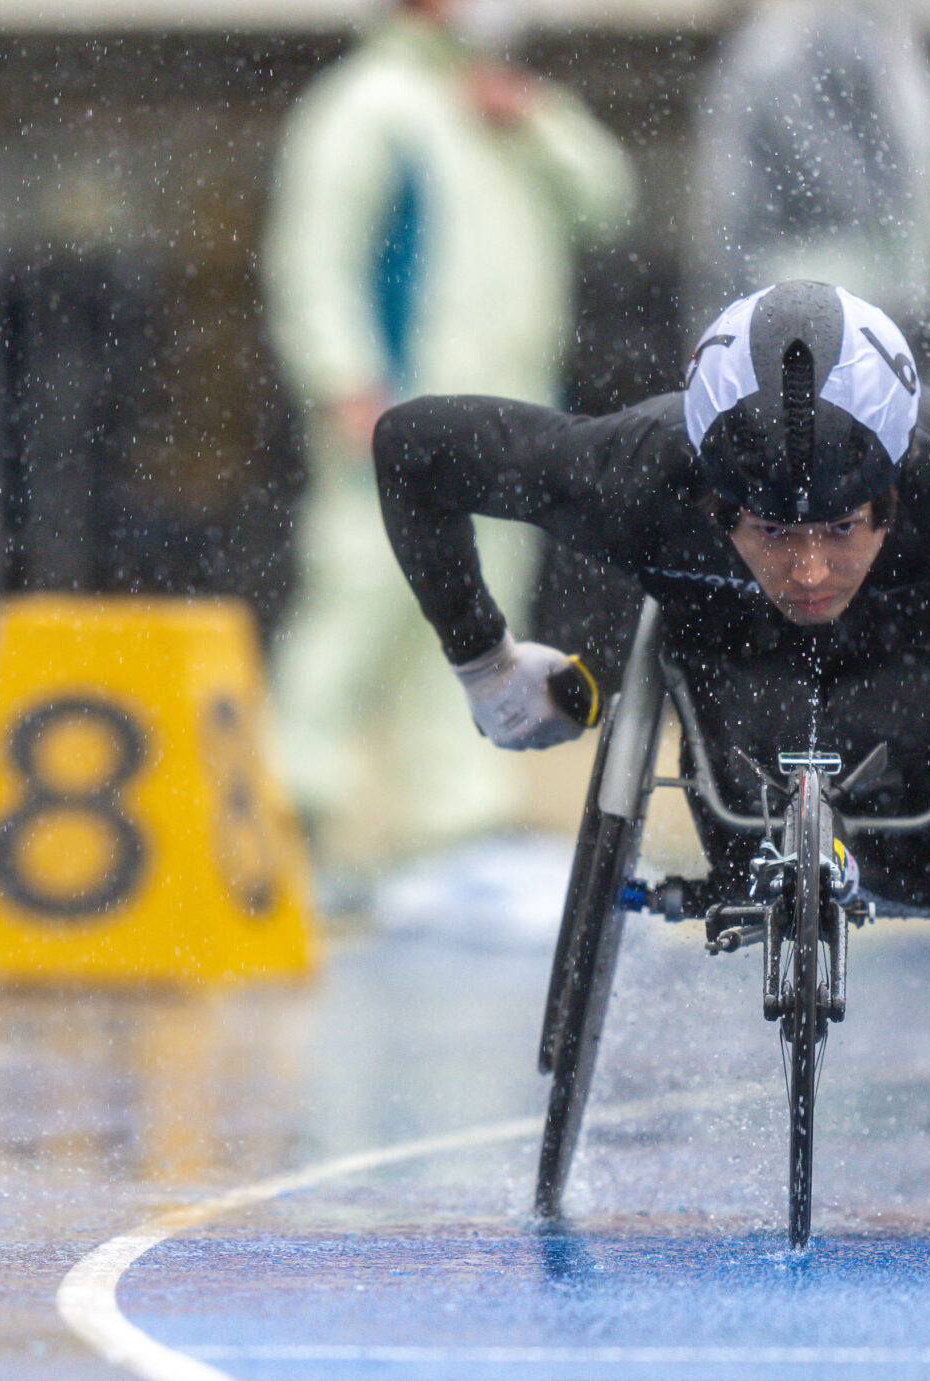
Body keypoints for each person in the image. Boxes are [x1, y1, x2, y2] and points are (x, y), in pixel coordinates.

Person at [373, 279, 930, 915]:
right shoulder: (638, 478)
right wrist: (483, 660)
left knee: (911, 819)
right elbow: (408, 446)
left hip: (928, 692)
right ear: (709, 496)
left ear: (897, 486)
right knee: (738, 663)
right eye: (771, 531)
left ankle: (896, 847)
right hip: (730, 682)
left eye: (841, 528)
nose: (808, 571)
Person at [262, 0, 637, 870]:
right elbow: (313, 260)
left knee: (479, 624)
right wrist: (343, 382)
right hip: (395, 423)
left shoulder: (503, 107)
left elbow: (607, 201)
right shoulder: (368, 106)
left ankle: (453, 830)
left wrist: (534, 116)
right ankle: (286, 819)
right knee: (357, 605)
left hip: (505, 428)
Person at [687, 0, 930, 382]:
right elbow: (922, 196)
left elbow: (729, 210)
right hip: (878, 305)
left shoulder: (761, 63)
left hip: (774, 304)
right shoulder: (891, 63)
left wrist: (717, 320)